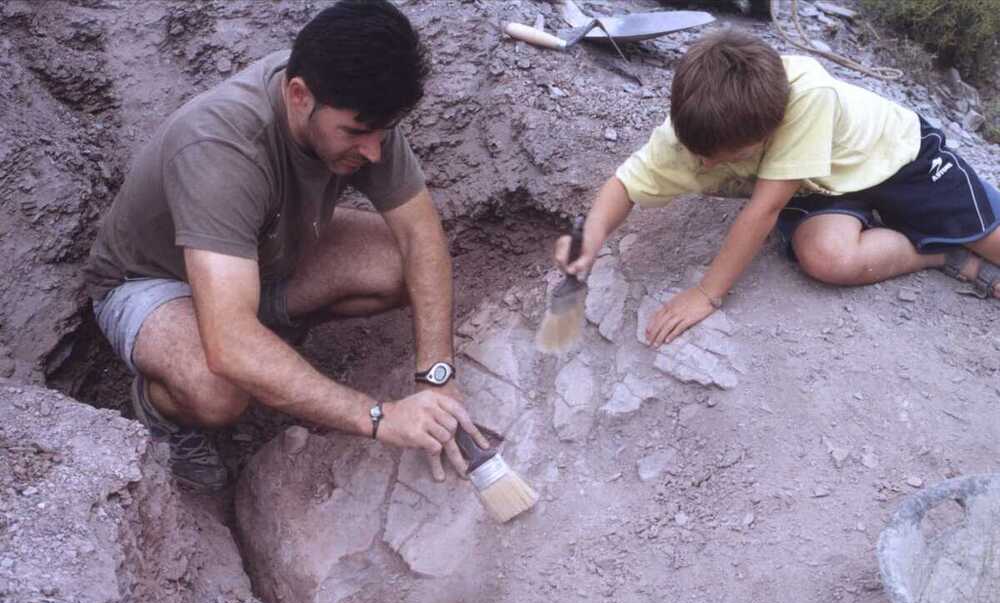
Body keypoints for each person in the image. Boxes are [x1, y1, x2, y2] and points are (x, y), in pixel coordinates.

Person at [84, 0, 487, 491]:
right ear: (298, 95)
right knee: (220, 387)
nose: (374, 151)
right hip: (153, 281)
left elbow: (421, 237)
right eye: (356, 134)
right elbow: (228, 346)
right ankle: (162, 411)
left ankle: (270, 350)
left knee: (401, 265)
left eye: (384, 132)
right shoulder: (221, 147)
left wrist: (436, 376)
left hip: (262, 251)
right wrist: (379, 417)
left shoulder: (355, 101)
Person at [554, 30, 1000, 347]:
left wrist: (707, 293)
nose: (706, 167)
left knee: (991, 236)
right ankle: (944, 252)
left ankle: (959, 224)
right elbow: (625, 184)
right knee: (827, 258)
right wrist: (588, 238)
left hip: (896, 156)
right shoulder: (697, 130)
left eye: (725, 157)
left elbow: (762, 212)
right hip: (819, 185)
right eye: (698, 154)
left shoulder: (807, 97)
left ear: (769, 131)